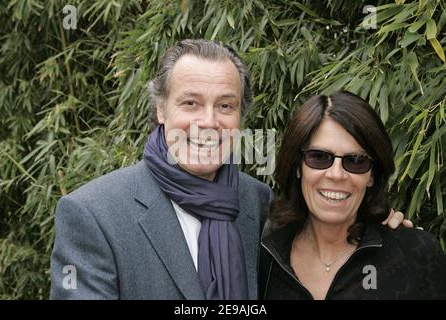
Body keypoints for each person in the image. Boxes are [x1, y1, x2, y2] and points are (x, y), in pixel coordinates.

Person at [50, 39, 409, 300]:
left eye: (225, 105)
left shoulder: (259, 202)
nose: (208, 122)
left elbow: (324, 248)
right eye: (191, 103)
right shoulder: (94, 214)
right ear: (161, 110)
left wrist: (382, 234)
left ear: (240, 117)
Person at [259, 91, 446, 299]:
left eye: (356, 161)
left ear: (372, 175)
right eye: (319, 157)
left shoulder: (415, 256)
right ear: (298, 167)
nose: (336, 174)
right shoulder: (263, 255)